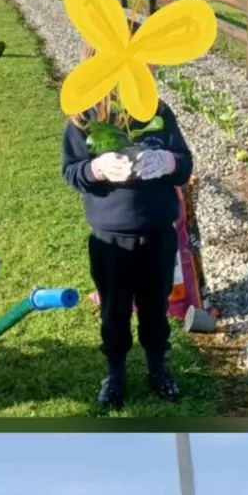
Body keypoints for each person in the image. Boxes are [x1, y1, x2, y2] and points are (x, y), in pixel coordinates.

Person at [62, 64, 193, 408]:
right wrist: (97, 168)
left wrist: (168, 162)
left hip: (157, 235)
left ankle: (157, 366)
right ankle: (116, 371)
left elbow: (185, 164)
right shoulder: (85, 117)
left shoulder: (158, 112)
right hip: (111, 239)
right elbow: (71, 171)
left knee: (155, 307)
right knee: (114, 310)